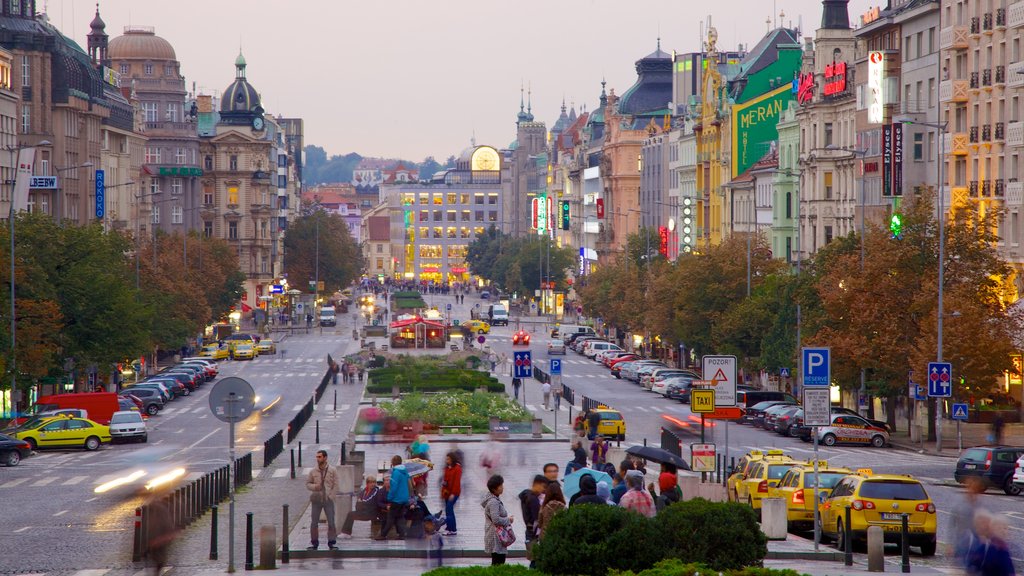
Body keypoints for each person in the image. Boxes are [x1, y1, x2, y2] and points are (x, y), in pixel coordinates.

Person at [305, 449, 340, 550]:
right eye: (317, 457)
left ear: (325, 457)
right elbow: (307, 484)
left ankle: (331, 542)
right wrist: (315, 487)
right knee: (314, 522)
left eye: (319, 457)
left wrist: (331, 496)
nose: (318, 459)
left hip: (328, 499)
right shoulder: (313, 471)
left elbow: (336, 484)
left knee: (331, 521)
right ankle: (314, 543)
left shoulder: (332, 470)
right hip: (317, 499)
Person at [482, 474, 514, 566]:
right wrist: (508, 520)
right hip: (496, 537)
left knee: (497, 561)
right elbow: (496, 520)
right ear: (494, 489)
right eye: (500, 486)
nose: (502, 487)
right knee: (498, 562)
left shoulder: (494, 499)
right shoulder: (493, 502)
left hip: (496, 535)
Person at [376, 456, 410, 540]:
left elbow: (394, 487)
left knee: (390, 517)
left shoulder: (396, 473)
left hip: (397, 499)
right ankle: (402, 534)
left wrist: (389, 497)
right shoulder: (405, 472)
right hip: (404, 498)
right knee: (400, 517)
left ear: (393, 463)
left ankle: (383, 535)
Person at [143, 498, 177, 575]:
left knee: (159, 557)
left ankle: (157, 570)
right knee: (159, 557)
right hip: (157, 537)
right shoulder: (157, 510)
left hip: (159, 537)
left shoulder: (161, 511)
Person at [519, 474, 548, 568]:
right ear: (536, 484)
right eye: (543, 487)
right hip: (534, 534)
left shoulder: (526, 496)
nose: (543, 490)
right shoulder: (533, 499)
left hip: (529, 531)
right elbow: (537, 518)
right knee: (535, 562)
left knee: (533, 559)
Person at [440, 452, 462, 536]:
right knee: (448, 510)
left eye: (448, 459)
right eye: (446, 459)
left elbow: (457, 482)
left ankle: (451, 529)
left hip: (454, 493)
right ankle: (450, 528)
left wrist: (453, 493)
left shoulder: (457, 468)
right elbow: (445, 480)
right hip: (447, 492)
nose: (447, 460)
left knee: (449, 509)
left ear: (452, 459)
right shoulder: (446, 468)